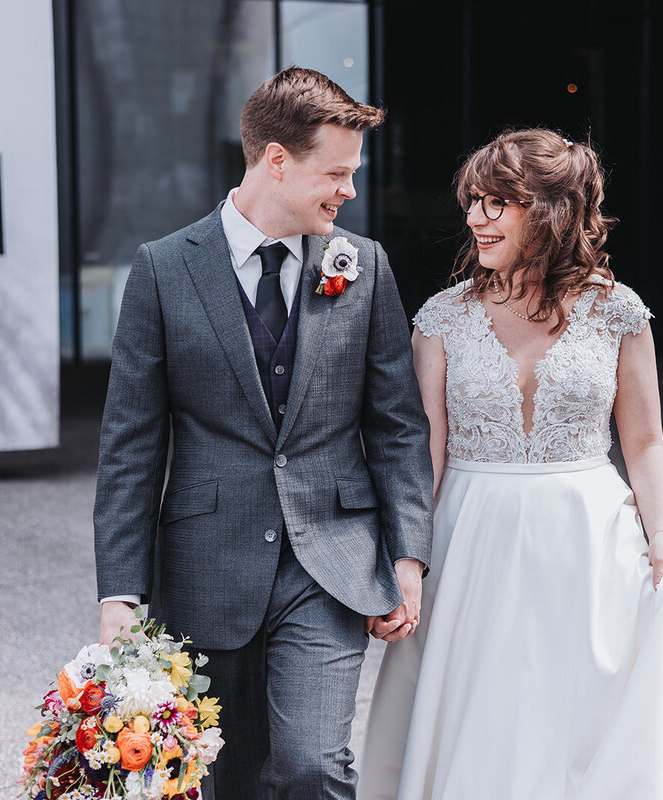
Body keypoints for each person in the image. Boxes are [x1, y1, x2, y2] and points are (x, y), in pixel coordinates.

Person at [93, 67, 434, 800]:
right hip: (205, 563)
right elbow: (130, 446)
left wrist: (408, 556)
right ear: (276, 160)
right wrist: (119, 592)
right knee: (232, 775)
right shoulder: (162, 270)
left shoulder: (363, 265)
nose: (348, 190)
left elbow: (399, 424)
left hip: (332, 563)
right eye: (335, 173)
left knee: (311, 764)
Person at [358, 129, 663, 799]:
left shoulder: (618, 312)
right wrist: (407, 560)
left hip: (588, 542)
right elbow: (426, 452)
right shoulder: (442, 319)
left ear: (552, 211)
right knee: (479, 715)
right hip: (470, 538)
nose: (475, 218)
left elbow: (645, 442)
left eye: (496, 203)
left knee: (573, 722)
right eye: (472, 201)